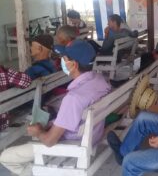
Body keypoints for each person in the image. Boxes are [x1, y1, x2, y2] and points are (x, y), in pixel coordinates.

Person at [0, 40, 111, 176]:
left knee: (6, 157)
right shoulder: (100, 80)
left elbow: (49, 141)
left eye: (64, 59)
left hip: (72, 144)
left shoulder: (73, 98)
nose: (61, 62)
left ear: (73, 65)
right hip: (93, 136)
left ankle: (35, 172)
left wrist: (38, 131)